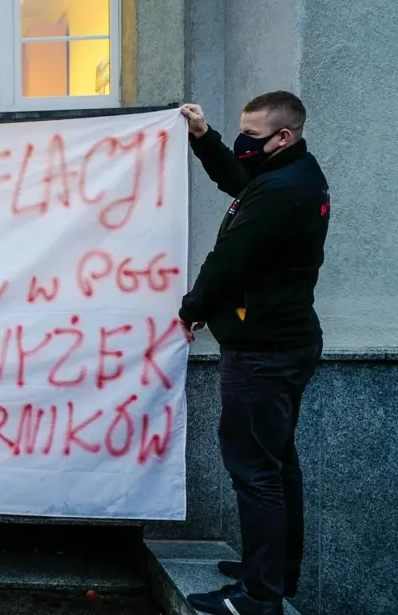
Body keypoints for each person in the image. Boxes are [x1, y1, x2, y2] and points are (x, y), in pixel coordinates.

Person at [178, 92, 329, 615]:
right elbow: (237, 182)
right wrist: (205, 138)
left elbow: (229, 261)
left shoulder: (281, 190)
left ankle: (258, 597)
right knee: (276, 463)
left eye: (251, 134)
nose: (243, 143)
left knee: (255, 469)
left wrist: (191, 308)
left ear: (283, 136)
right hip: (286, 344)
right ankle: (273, 573)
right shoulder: (292, 175)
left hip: (263, 353)